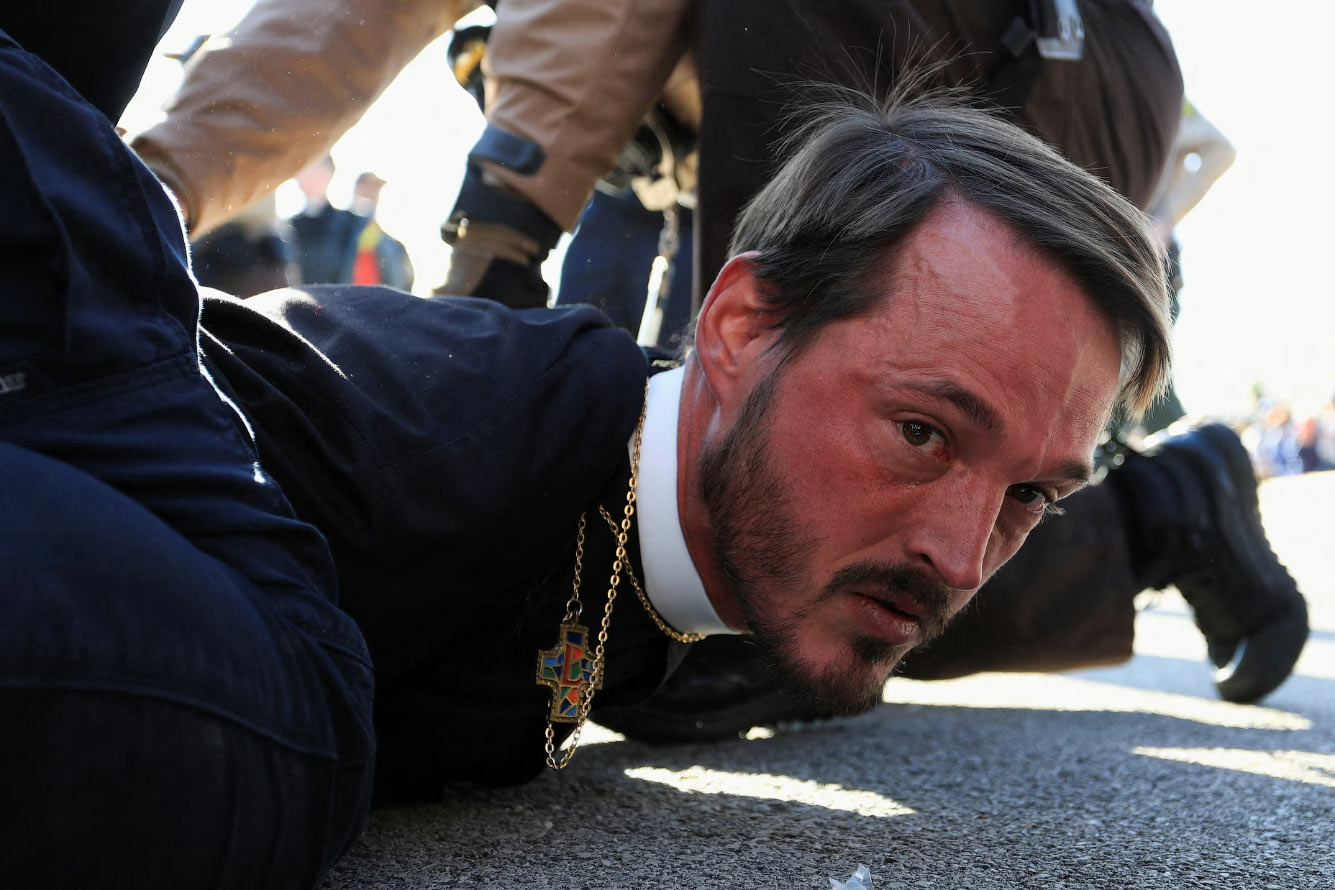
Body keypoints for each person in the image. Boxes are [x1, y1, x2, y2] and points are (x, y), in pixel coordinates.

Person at [4, 16, 1308, 890]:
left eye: (1029, 494)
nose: (966, 555)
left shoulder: (718, 554)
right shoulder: (408, 452)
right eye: (921, 432)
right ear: (733, 328)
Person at [287, 154, 366, 285]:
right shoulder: (289, 227)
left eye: (313, 168)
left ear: (329, 172)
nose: (306, 174)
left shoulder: (351, 223)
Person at [350, 171, 415, 291]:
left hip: (380, 301)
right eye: (366, 187)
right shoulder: (337, 233)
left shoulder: (394, 245)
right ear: (356, 191)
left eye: (375, 189)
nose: (371, 194)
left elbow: (405, 282)